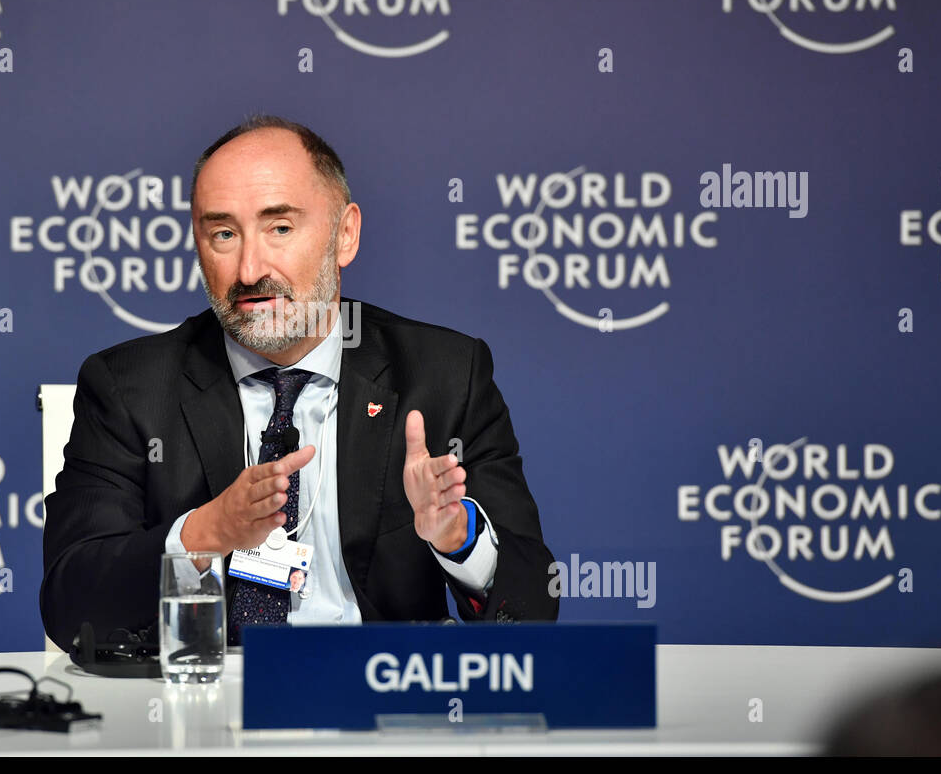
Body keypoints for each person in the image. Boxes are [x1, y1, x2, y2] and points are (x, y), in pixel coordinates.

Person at [41, 115, 557, 653]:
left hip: (378, 702)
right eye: (223, 234)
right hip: (207, 707)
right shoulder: (129, 387)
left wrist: (457, 538)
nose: (248, 269)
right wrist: (205, 533)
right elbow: (72, 605)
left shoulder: (443, 373)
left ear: (345, 235)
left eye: (280, 228)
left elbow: (534, 611)